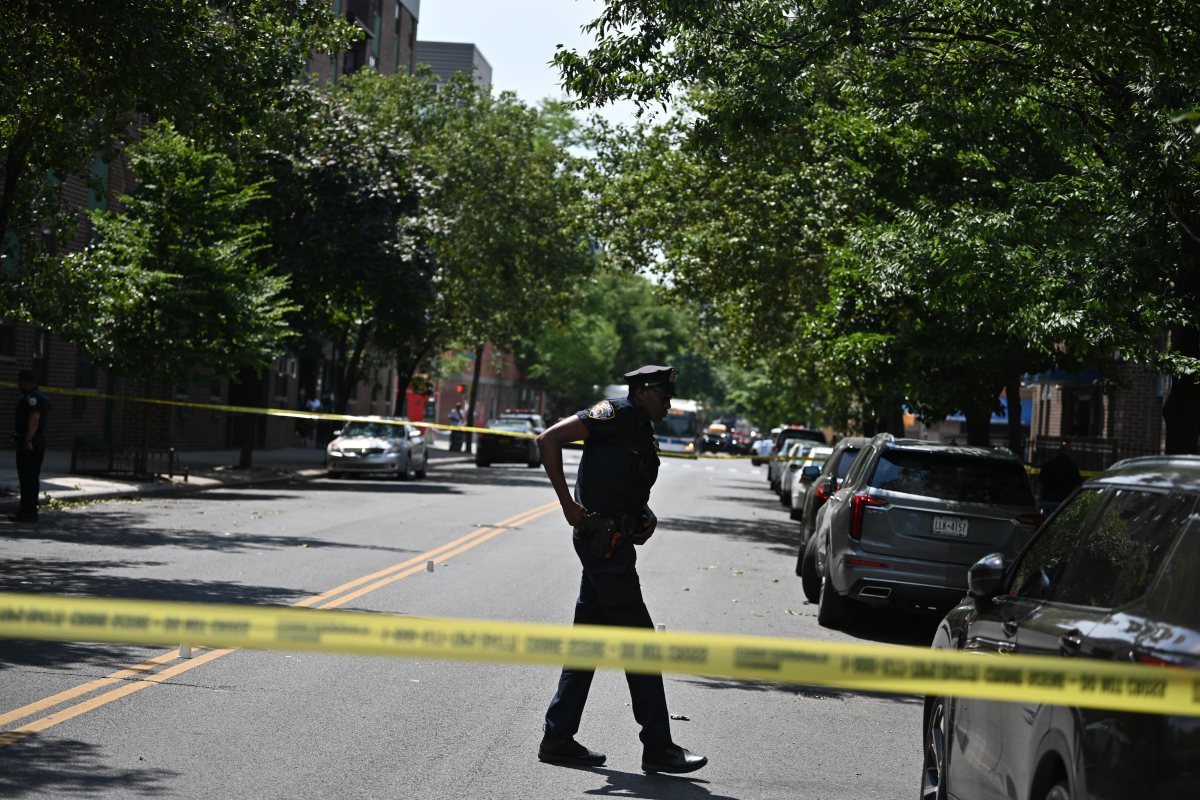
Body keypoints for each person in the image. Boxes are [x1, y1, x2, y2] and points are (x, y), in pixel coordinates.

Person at [536, 365, 707, 774]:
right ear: (644, 391)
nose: (669, 402)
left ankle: (558, 737)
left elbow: (623, 484)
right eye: (664, 394)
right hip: (602, 545)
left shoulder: (643, 429)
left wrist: (643, 515)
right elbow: (549, 439)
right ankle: (659, 747)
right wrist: (566, 504)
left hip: (615, 545)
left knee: (587, 642)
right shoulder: (611, 414)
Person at [10, 369, 49, 523]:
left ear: (25, 382)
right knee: (31, 477)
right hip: (37, 442)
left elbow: (35, 418)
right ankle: (29, 510)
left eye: (19, 382)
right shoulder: (41, 396)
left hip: (30, 444)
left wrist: (27, 440)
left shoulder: (32, 397)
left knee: (27, 477)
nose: (18, 385)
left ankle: (28, 512)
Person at [1039, 441, 1083, 514]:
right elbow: (1078, 484)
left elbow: (1041, 483)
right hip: (1065, 501)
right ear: (1068, 451)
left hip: (1049, 501)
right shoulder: (1072, 467)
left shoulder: (1048, 465)